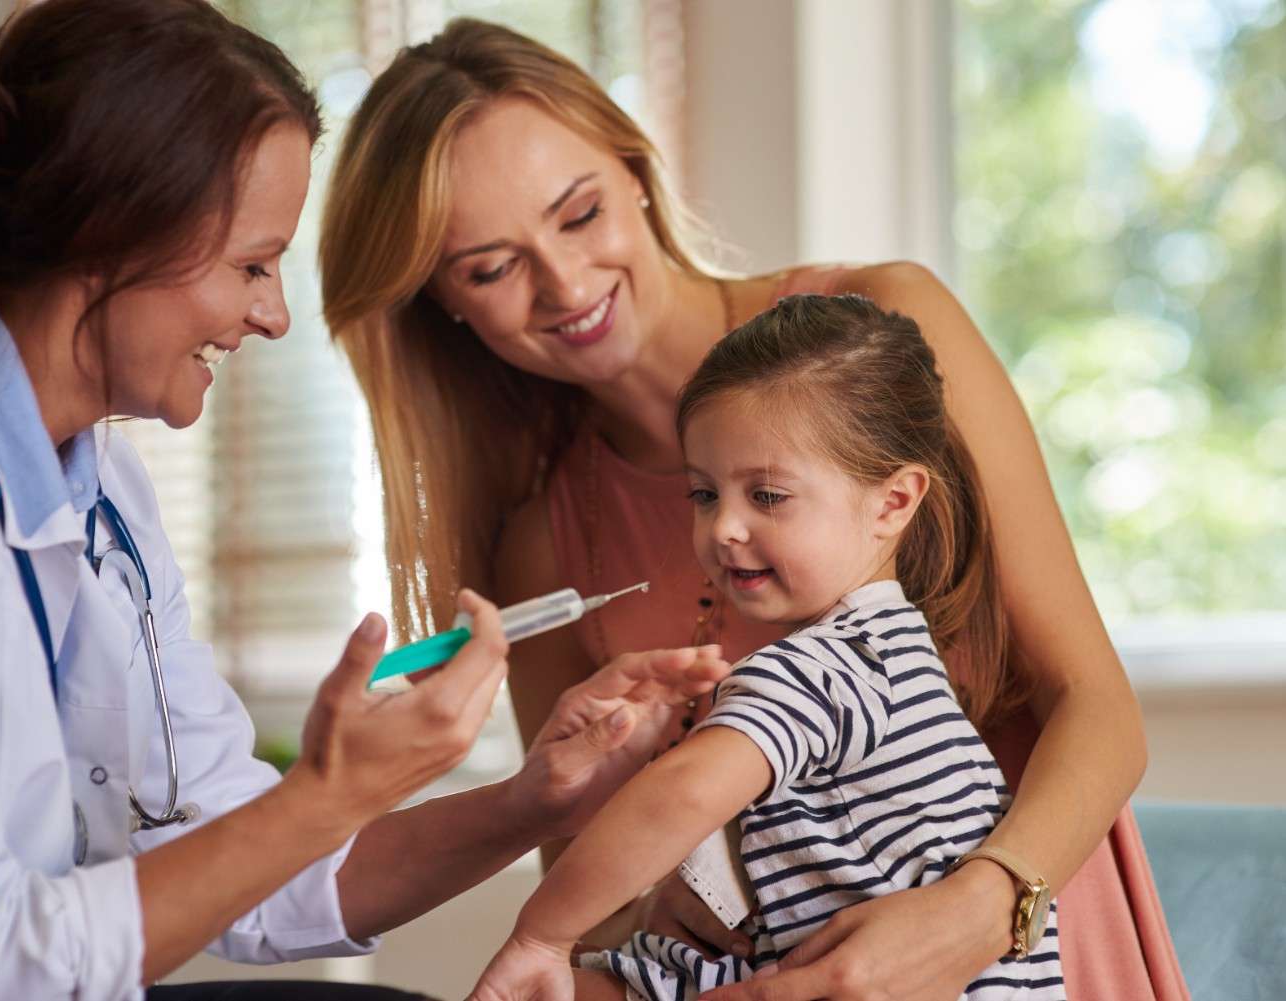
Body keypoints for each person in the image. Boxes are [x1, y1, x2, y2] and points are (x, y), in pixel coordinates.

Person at [0, 4, 731, 999]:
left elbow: (259, 876)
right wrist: (328, 794)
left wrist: (534, 801)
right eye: (251, 266)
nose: (274, 315)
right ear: (111, 234)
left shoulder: (104, 488)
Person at [319, 19, 1187, 1001]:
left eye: (578, 211)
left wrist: (982, 909)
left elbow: (1101, 710)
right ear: (444, 308)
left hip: (1038, 938)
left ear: (635, 170)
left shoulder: (885, 328)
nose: (564, 284)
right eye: (490, 267)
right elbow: (590, 891)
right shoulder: (543, 540)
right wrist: (659, 898)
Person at [470, 294, 1065, 1001]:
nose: (724, 526)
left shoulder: (823, 666)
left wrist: (543, 935)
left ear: (894, 501)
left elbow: (682, 793)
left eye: (769, 496)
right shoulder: (899, 652)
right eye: (703, 494)